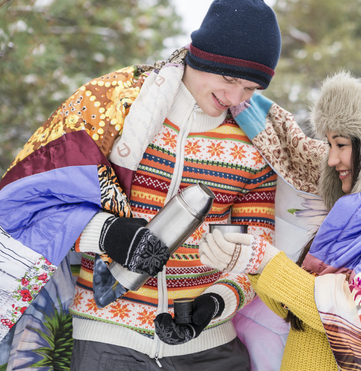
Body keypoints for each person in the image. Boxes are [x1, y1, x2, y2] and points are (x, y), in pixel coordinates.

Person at [0, 0, 282, 369]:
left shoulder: (258, 141)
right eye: (228, 80)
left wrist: (215, 303)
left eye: (250, 88)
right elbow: (34, 200)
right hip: (106, 340)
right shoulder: (112, 106)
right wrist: (108, 233)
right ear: (200, 57)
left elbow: (257, 248)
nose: (235, 98)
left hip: (211, 349)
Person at [200, 71, 361, 370]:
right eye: (329, 145)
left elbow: (356, 320)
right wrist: (249, 264)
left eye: (341, 145)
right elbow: (298, 307)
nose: (331, 160)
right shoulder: (356, 213)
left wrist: (266, 261)